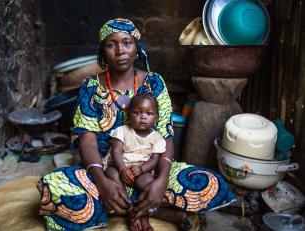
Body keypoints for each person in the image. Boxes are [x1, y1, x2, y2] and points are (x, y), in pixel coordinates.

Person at [37, 18, 236, 231]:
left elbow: (165, 136)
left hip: (149, 168)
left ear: (137, 48)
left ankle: (130, 205)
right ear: (102, 51)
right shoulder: (90, 87)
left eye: (127, 43)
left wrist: (161, 181)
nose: (120, 50)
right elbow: (87, 141)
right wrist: (103, 183)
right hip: (105, 169)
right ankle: (153, 209)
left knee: (207, 181)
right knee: (53, 189)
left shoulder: (154, 83)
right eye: (111, 44)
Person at [103, 94, 166, 231]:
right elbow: (116, 152)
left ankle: (142, 214)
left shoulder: (157, 138)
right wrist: (122, 169)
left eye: (149, 113)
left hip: (141, 169)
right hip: (118, 166)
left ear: (156, 118)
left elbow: (154, 160)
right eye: (137, 113)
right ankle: (130, 209)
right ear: (129, 115)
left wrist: (141, 169)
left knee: (149, 184)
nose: (143, 117)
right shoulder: (122, 131)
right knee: (111, 174)